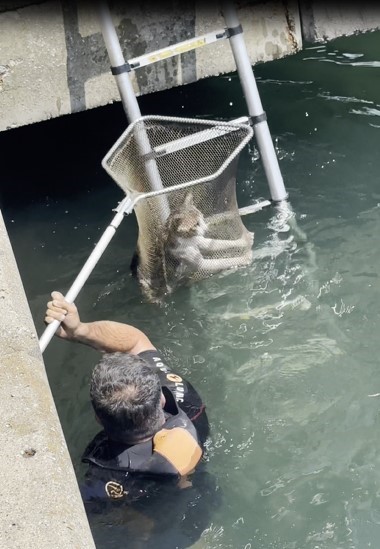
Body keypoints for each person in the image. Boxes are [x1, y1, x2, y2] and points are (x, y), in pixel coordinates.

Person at [44, 291, 209, 505]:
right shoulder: (185, 399)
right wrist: (80, 329)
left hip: (147, 517)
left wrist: (79, 331)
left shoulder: (105, 476)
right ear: (161, 399)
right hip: (192, 498)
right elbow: (135, 342)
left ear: (98, 418)